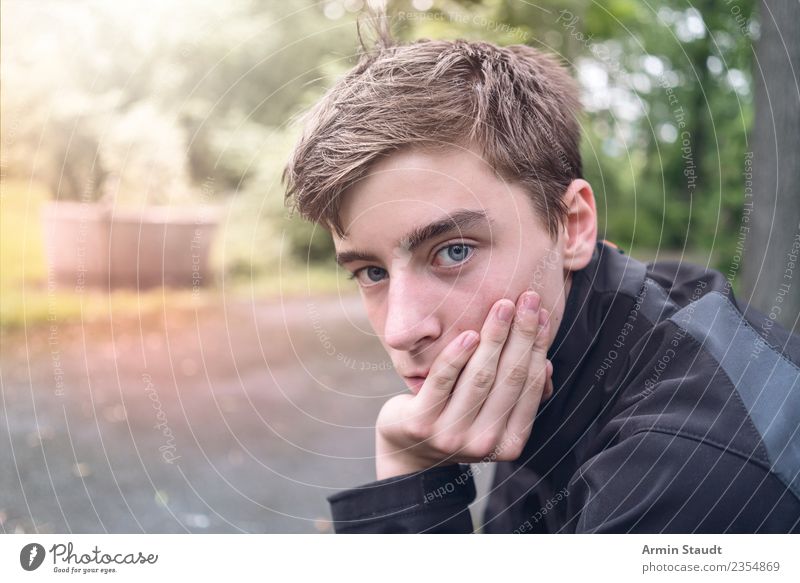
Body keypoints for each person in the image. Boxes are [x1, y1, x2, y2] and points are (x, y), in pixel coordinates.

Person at [282, 21, 800, 533]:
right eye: (371, 271)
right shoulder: (544, 350)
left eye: (453, 250)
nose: (401, 329)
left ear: (572, 227)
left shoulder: (692, 462)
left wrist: (410, 484)